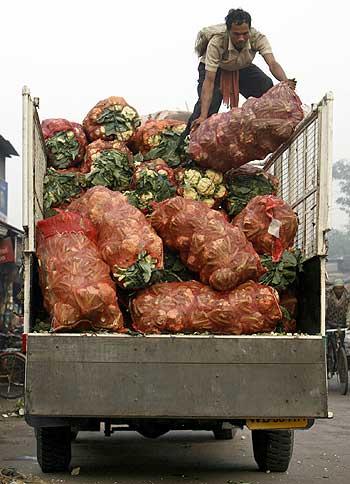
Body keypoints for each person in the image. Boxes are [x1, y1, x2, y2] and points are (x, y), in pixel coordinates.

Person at [180, 8, 296, 143]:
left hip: (241, 67)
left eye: (245, 34)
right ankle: (186, 143)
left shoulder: (257, 38)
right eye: (236, 34)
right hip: (216, 70)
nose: (241, 38)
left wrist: (285, 81)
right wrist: (203, 116)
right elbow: (209, 81)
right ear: (228, 32)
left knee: (266, 86)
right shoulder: (217, 42)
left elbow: (272, 63)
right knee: (207, 108)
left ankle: (264, 129)